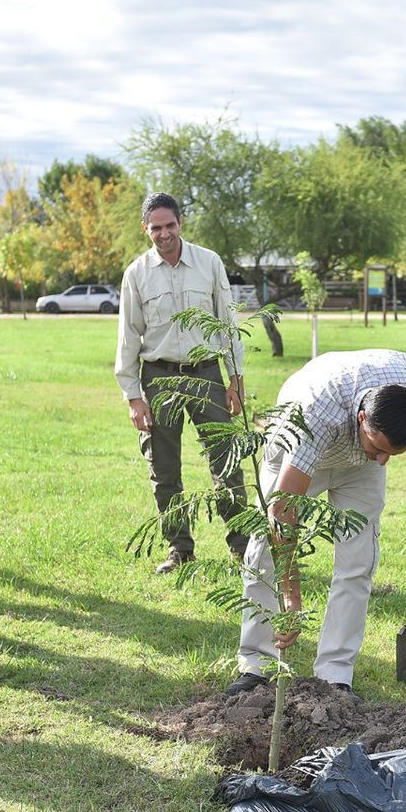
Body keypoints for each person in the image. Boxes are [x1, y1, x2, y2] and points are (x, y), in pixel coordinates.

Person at [225, 350, 406, 698]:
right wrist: (291, 592)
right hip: (298, 453)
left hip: (357, 464)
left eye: (393, 454)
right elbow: (283, 510)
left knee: (358, 559)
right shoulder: (314, 417)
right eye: (379, 448)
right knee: (265, 552)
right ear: (360, 418)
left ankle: (335, 676)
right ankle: (257, 666)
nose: (384, 461)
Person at [115, 192, 249, 573]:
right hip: (158, 379)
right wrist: (133, 398)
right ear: (146, 229)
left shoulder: (209, 263)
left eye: (169, 225)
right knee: (163, 468)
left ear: (181, 223)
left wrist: (235, 379)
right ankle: (180, 549)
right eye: (155, 228)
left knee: (226, 462)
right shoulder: (136, 274)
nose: (164, 234)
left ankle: (241, 547)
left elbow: (228, 325)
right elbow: (128, 338)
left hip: (207, 373)